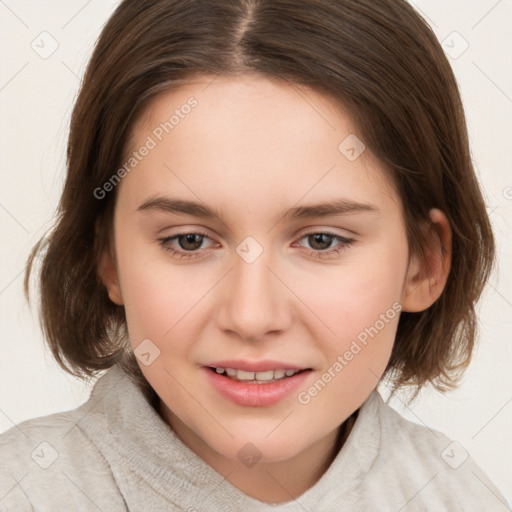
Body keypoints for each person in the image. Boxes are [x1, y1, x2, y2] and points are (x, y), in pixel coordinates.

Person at [0, 0, 509, 510]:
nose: (251, 316)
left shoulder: (459, 497)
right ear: (107, 257)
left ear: (423, 263)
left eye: (321, 240)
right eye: (189, 240)